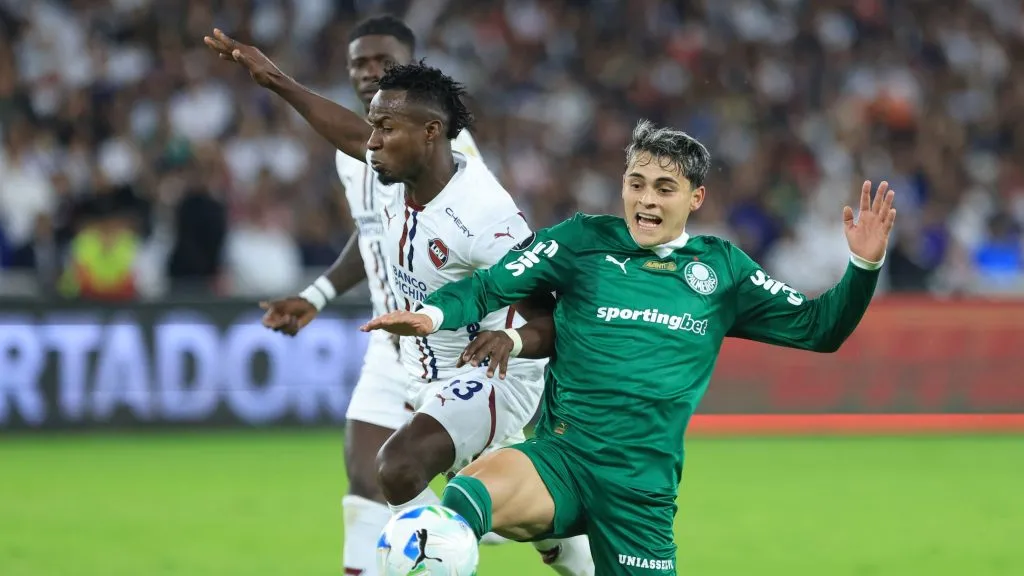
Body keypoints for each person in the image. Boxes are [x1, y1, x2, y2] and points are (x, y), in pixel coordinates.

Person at [362, 120, 896, 574]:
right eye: (636, 183)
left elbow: (820, 329)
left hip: (640, 489)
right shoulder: (579, 241)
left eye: (665, 188)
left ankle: (566, 549)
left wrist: (864, 267)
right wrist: (432, 315)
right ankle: (543, 541)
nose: (646, 199)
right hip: (561, 459)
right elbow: (490, 285)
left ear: (696, 197)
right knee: (455, 511)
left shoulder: (723, 269)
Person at [204, 24, 593, 576]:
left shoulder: (484, 216)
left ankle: (440, 553)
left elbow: (550, 317)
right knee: (509, 515)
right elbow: (352, 164)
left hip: (487, 369)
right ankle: (561, 547)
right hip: (408, 354)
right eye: (371, 128)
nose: (369, 142)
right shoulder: (394, 169)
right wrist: (271, 80)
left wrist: (507, 337)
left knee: (398, 468)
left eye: (384, 129)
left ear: (432, 132)